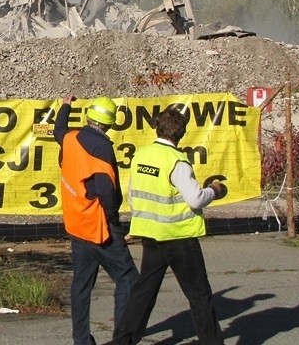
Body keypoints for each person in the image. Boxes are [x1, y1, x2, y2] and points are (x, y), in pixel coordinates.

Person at [111, 107, 227, 345]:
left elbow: (134, 195)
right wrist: (214, 190)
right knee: (199, 296)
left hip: (152, 234)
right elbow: (195, 198)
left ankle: (122, 340)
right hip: (179, 237)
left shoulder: (141, 156)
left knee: (144, 293)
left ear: (157, 128)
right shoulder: (177, 162)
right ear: (182, 133)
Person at [54, 94, 139, 345]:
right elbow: (107, 193)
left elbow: (59, 130)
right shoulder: (101, 148)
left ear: (89, 116)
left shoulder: (70, 138)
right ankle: (121, 339)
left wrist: (66, 106)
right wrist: (115, 223)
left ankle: (81, 340)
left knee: (81, 286)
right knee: (129, 279)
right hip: (99, 227)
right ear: (111, 122)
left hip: (76, 223)